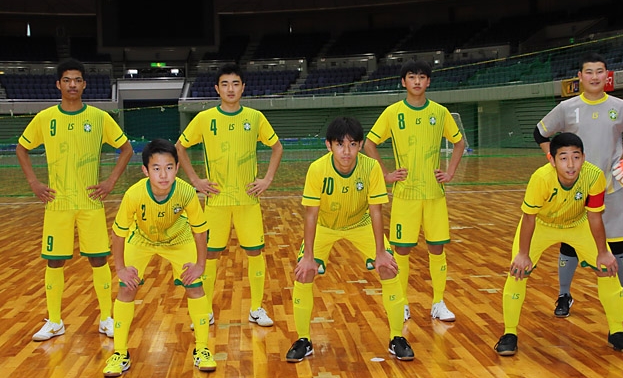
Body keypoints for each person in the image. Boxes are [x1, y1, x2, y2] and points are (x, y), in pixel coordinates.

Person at [16, 58, 133, 342]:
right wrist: (34, 183)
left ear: (84, 84)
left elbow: (127, 148)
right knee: (54, 262)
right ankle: (55, 321)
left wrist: (110, 182)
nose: (72, 85)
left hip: (90, 203)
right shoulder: (45, 118)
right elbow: (21, 148)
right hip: (57, 203)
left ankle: (106, 318)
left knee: (99, 259)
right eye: (67, 80)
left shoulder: (99, 117)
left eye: (77, 80)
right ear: (58, 84)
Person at [494, 132, 623, 356]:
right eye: (563, 158)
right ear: (552, 160)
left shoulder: (594, 176)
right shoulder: (541, 178)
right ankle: (509, 333)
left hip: (577, 224)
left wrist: (603, 252)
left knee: (607, 269)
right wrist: (523, 254)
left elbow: (594, 216)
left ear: (584, 157)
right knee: (517, 272)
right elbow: (529, 218)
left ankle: (617, 331)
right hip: (541, 224)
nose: (571, 164)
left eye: (576, 157)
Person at [286, 116, 414, 362]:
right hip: (325, 225)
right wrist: (309, 257)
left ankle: (397, 337)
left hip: (360, 223)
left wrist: (380, 253)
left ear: (360, 145)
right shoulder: (317, 169)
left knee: (389, 267)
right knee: (304, 272)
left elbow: (376, 211)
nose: (346, 151)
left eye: (353, 144)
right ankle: (303, 340)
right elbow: (311, 215)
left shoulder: (371, 168)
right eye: (340, 144)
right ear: (329, 145)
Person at [535, 52, 623, 318]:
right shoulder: (567, 108)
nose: (595, 77)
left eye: (600, 71)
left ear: (607, 75)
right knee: (569, 245)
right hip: (575, 190)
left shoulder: (621, 107)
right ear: (580, 76)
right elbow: (540, 132)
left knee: (619, 245)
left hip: (610, 188)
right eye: (589, 72)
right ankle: (564, 295)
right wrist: (553, 158)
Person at [176, 64, 283, 328]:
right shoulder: (205, 118)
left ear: (243, 87)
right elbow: (179, 147)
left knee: (255, 252)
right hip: (216, 200)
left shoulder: (255, 117)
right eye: (225, 84)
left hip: (247, 199)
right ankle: (206, 311)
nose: (230, 89)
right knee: (210, 255)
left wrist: (267, 179)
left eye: (235, 83)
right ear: (217, 88)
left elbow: (277, 147)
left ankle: (256, 308)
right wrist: (195, 180)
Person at [103, 139, 216, 377]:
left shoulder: (186, 192)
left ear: (177, 168)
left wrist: (200, 265)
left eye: (169, 167)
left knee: (195, 286)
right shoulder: (134, 194)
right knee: (126, 287)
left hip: (178, 239)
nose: (163, 175)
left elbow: (200, 230)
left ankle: (202, 350)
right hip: (141, 239)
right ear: (145, 170)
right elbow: (118, 233)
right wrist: (120, 268)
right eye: (156, 168)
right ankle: (120, 353)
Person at [364, 59, 465, 323]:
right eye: (412, 76)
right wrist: (386, 174)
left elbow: (459, 142)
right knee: (401, 250)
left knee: (437, 248)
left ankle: (438, 303)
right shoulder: (392, 112)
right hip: (405, 195)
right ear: (403, 82)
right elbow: (369, 143)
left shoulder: (440, 112)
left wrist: (450, 173)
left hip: (434, 194)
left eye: (422, 77)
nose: (417, 81)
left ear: (428, 81)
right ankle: (403, 303)